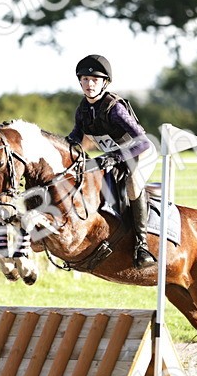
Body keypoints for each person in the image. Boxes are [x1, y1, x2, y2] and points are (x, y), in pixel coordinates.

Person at [65, 54, 159, 268]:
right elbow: (74, 139)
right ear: (80, 81)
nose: (89, 84)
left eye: (95, 80)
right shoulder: (83, 110)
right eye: (85, 79)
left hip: (140, 154)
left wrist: (114, 157)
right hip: (112, 158)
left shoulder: (114, 108)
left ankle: (142, 245)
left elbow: (143, 141)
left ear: (104, 83)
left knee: (132, 183)